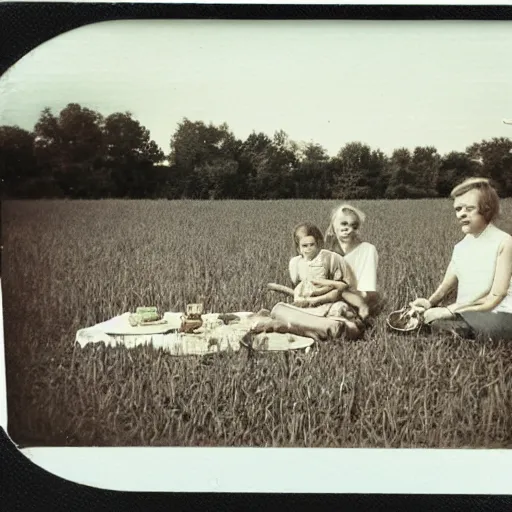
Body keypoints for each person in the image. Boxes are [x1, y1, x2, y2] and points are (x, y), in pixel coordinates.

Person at [410, 177, 512, 340]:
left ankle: (459, 332)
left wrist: (449, 310)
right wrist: (429, 303)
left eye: (469, 208)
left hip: (500, 314)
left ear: (487, 209)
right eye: (458, 209)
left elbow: (494, 296)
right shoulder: (460, 247)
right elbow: (445, 287)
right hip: (468, 313)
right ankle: (455, 330)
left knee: (440, 324)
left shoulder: (503, 242)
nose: (461, 214)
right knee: (432, 320)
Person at [267, 222, 368, 320]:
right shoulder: (295, 263)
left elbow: (343, 287)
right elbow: (297, 285)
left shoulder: (331, 258)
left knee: (339, 305)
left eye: (312, 245)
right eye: (304, 246)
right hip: (307, 298)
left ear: (318, 244)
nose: (308, 249)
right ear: (298, 248)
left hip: (330, 297)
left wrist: (321, 290)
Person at [316, 203, 380, 313]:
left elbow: (366, 290)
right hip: (327, 301)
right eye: (344, 224)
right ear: (333, 227)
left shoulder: (367, 250)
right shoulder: (324, 252)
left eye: (354, 226)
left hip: (357, 303)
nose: (348, 229)